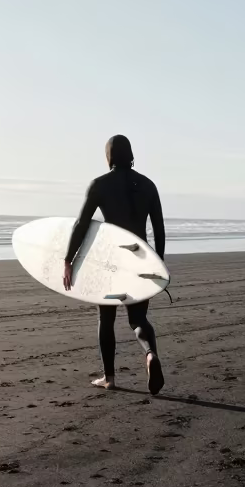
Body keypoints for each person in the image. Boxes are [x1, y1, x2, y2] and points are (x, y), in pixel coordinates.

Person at [63, 135, 166, 395]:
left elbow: (82, 224)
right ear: (130, 154)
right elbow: (159, 230)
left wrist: (68, 259)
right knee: (138, 318)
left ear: (109, 156)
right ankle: (151, 354)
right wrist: (158, 265)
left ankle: (109, 378)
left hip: (110, 261)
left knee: (106, 318)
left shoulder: (100, 185)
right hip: (140, 259)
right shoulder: (148, 185)